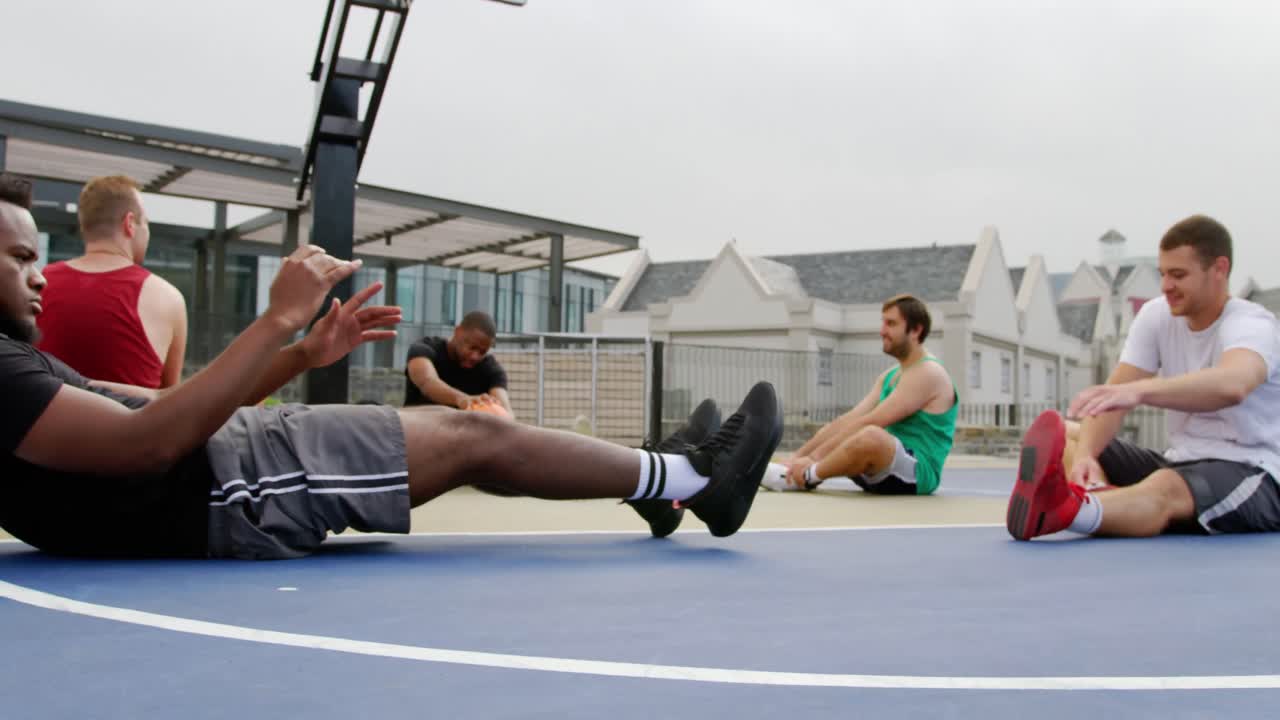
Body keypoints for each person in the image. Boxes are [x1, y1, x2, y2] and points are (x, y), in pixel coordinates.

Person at [0, 172, 782, 560]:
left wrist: (304, 352)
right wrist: (278, 317)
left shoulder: (15, 357)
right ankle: (695, 482)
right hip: (234, 485)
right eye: (21, 257)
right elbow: (146, 444)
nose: (41, 273)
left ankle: (659, 487)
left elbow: (150, 407)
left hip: (234, 454)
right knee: (467, 438)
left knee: (461, 441)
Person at [1007, 214, 1280, 540]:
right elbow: (1113, 397)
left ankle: (1073, 511)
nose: (1166, 286)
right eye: (1163, 274)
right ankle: (1101, 499)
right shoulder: (1157, 315)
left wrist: (1140, 391)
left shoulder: (1252, 325)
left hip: (1254, 472)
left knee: (1164, 486)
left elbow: (1233, 384)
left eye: (1178, 275)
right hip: (1181, 462)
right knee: (1067, 435)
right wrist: (1085, 457)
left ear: (1219, 269)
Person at [762, 294, 957, 496]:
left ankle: (806, 477)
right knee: (846, 426)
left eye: (891, 324)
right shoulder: (890, 375)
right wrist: (797, 457)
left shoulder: (928, 373)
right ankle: (793, 470)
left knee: (871, 434)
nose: (882, 331)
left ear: (916, 330)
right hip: (880, 467)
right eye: (883, 323)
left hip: (916, 474)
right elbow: (850, 419)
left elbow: (874, 420)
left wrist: (813, 459)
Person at [36, 175, 187, 388]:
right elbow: (171, 402)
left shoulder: (39, 282)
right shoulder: (168, 298)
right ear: (130, 223)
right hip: (132, 421)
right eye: (146, 223)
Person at [404, 310, 512, 416]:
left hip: (462, 433)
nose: (475, 356)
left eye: (482, 352)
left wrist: (499, 411)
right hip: (417, 428)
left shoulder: (491, 369)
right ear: (458, 332)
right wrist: (463, 399)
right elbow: (427, 382)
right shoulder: (425, 349)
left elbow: (505, 412)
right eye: (472, 347)